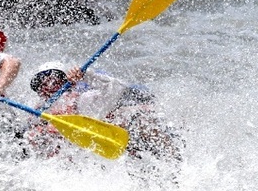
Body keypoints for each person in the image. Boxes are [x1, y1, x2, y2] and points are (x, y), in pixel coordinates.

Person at [27, 62, 183, 161]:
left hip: (122, 143)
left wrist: (86, 75)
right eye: (40, 82)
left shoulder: (84, 101)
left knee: (141, 120)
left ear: (67, 81)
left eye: (54, 78)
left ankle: (177, 165)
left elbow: (116, 88)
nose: (48, 84)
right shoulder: (38, 112)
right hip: (87, 158)